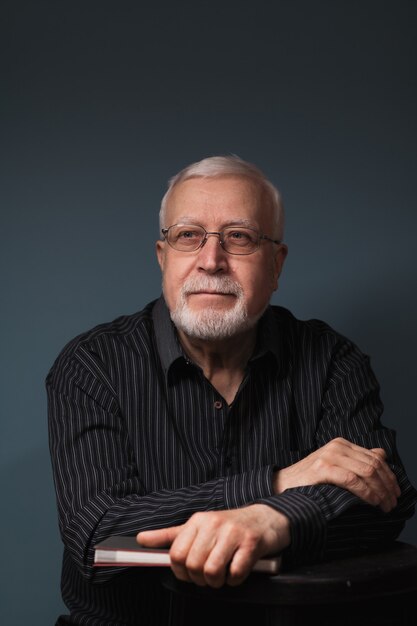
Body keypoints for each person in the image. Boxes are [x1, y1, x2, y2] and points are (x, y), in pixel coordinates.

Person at [47, 155, 416, 625]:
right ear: (163, 257)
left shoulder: (331, 360)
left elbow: (386, 495)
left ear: (276, 264)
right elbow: (96, 532)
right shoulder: (91, 365)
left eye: (239, 237)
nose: (211, 260)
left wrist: (271, 520)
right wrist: (278, 482)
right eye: (188, 236)